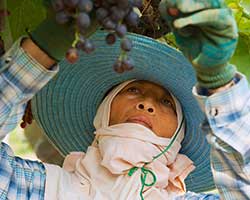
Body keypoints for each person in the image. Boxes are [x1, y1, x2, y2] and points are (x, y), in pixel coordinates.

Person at [0, 0, 249, 200]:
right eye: (133, 91)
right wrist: (47, 44)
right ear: (102, 112)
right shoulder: (42, 189)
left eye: (166, 103)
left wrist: (219, 82)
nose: (146, 104)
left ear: (179, 137)